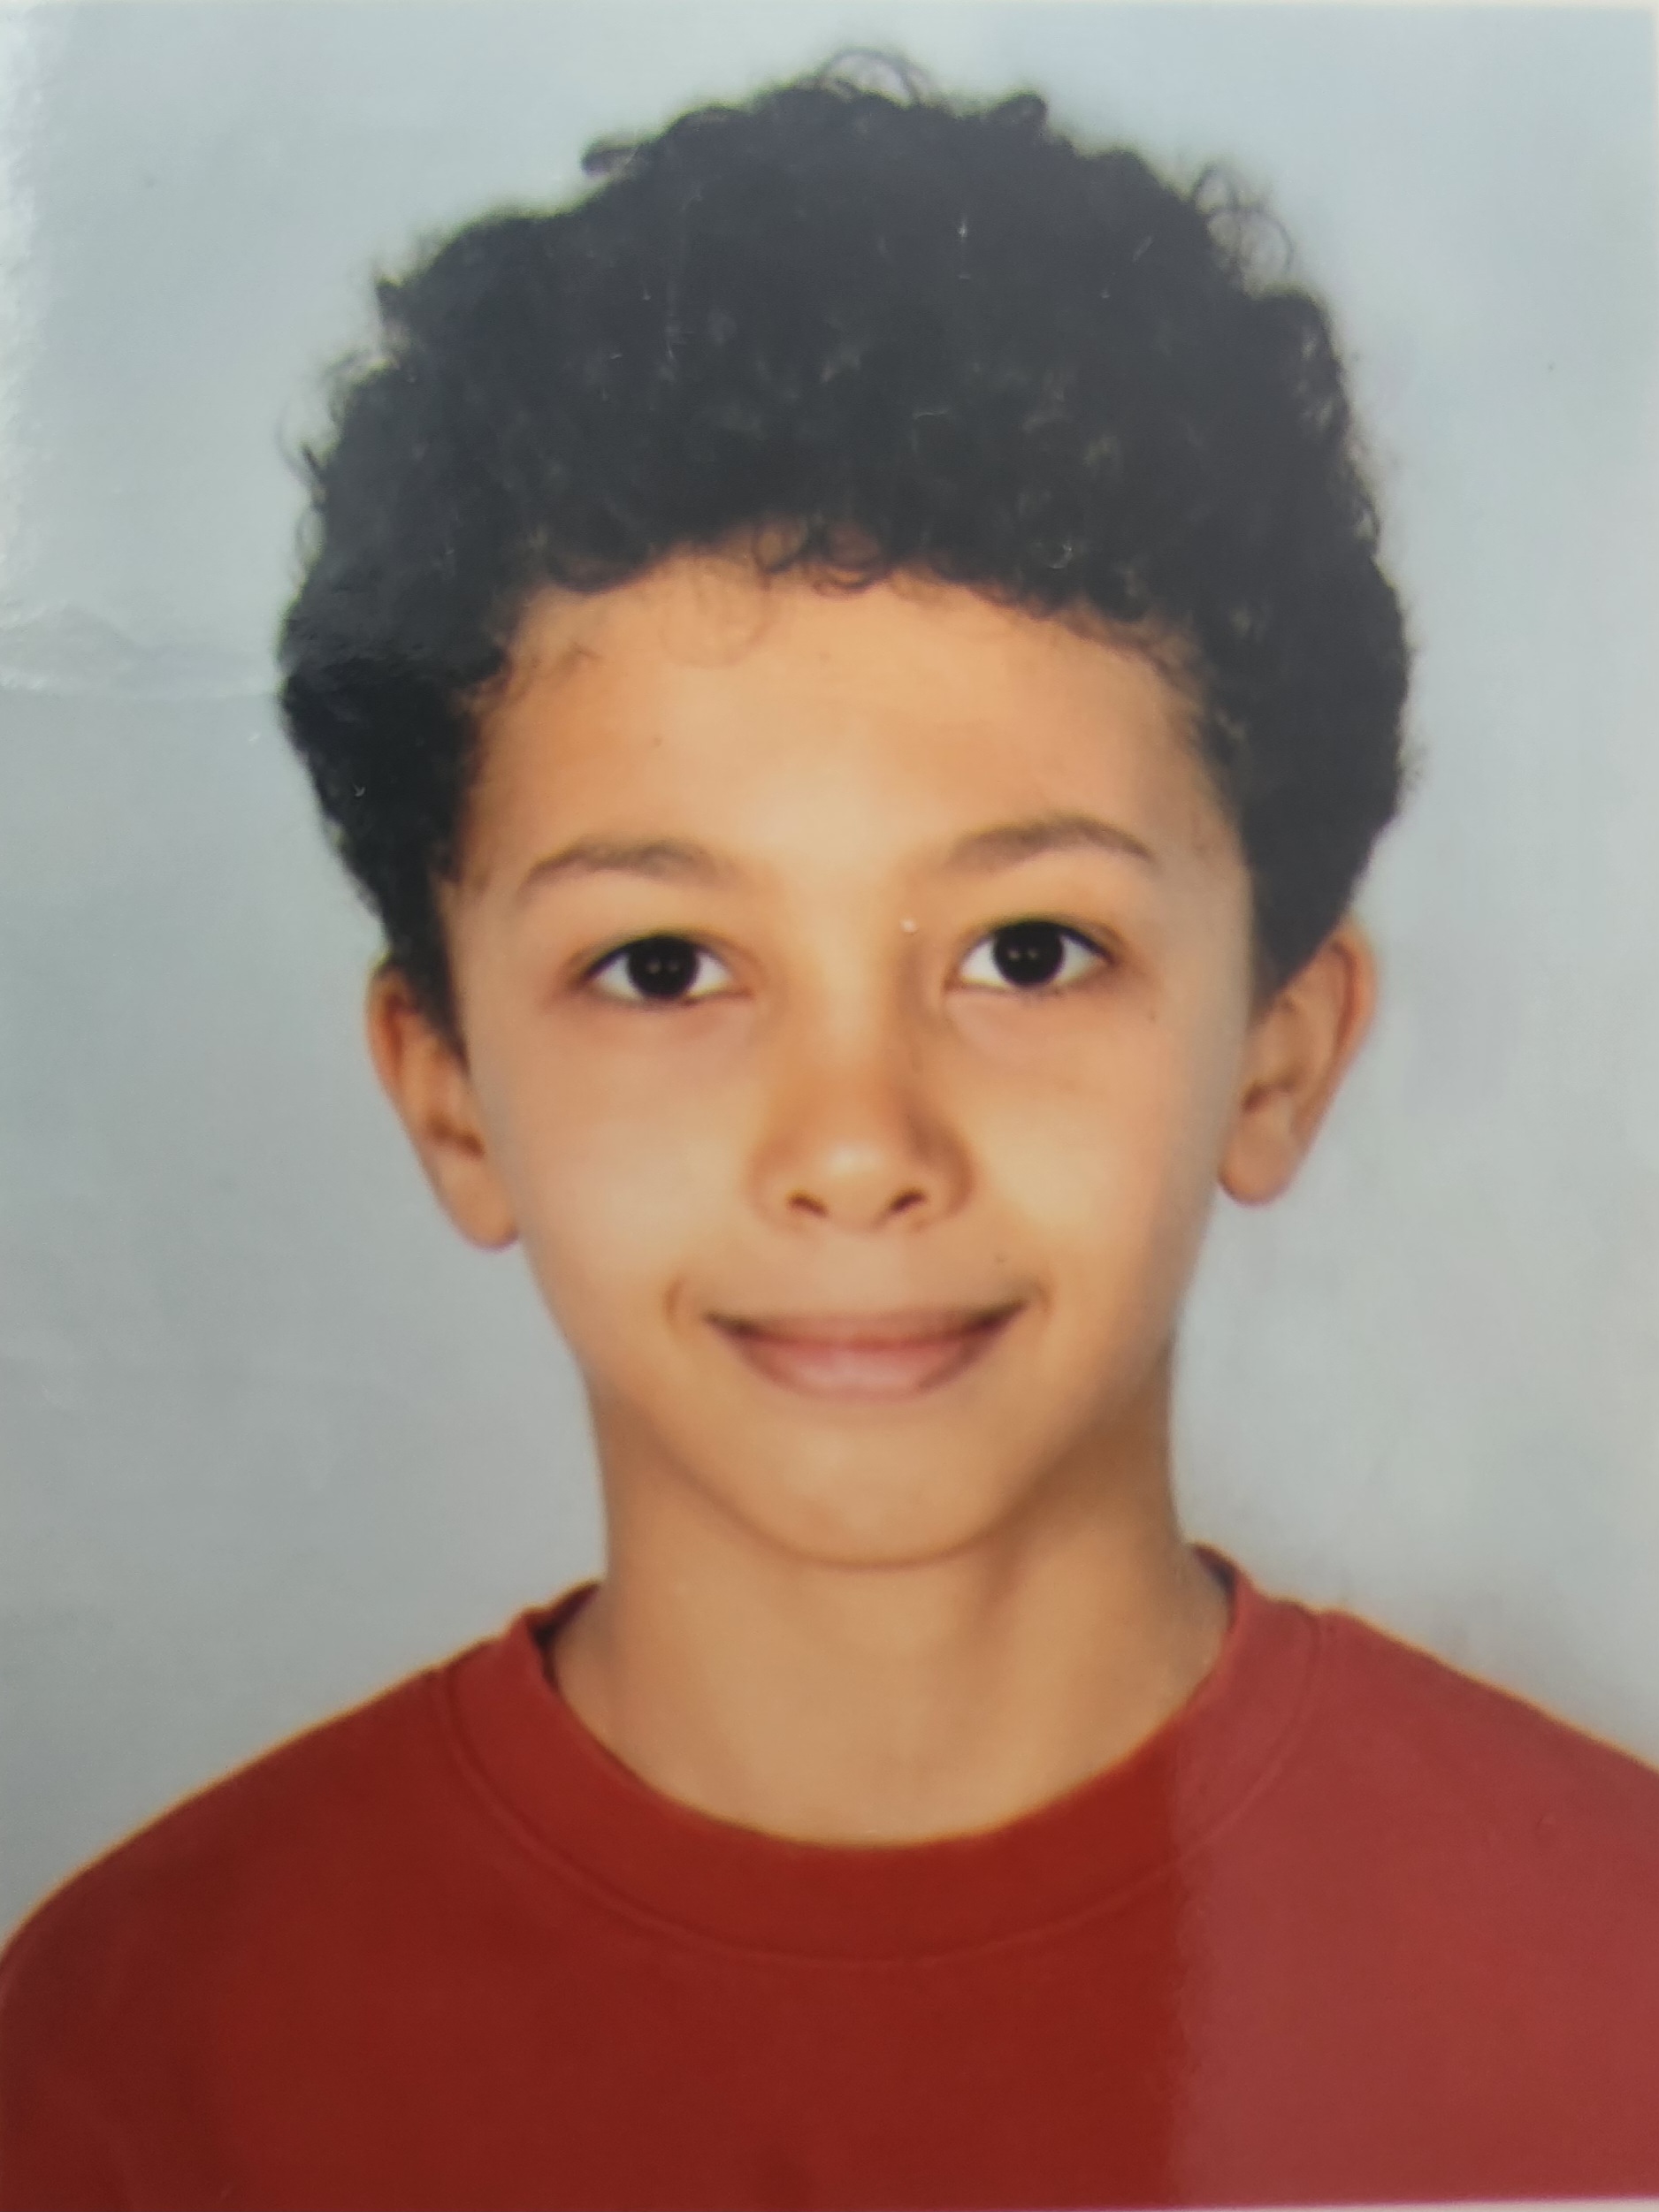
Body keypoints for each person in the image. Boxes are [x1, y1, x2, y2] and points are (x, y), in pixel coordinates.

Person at [3, 56, 1657, 2212]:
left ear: (1275, 1050)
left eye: (1029, 952)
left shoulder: (1610, 1991)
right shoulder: (131, 2058)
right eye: (665, 966)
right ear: (447, 1090)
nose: (856, 1147)